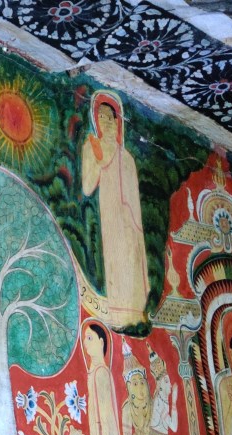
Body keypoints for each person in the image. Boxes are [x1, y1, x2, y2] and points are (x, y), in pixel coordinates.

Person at [81, 91, 149, 328]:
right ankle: (119, 314)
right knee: (116, 264)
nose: (107, 122)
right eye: (101, 117)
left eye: (111, 117)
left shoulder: (127, 158)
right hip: (110, 216)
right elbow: (87, 188)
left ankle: (136, 314)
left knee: (133, 264)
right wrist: (99, 163)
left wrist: (134, 225)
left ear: (118, 122)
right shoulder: (92, 148)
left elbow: (133, 197)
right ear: (96, 122)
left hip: (130, 222)